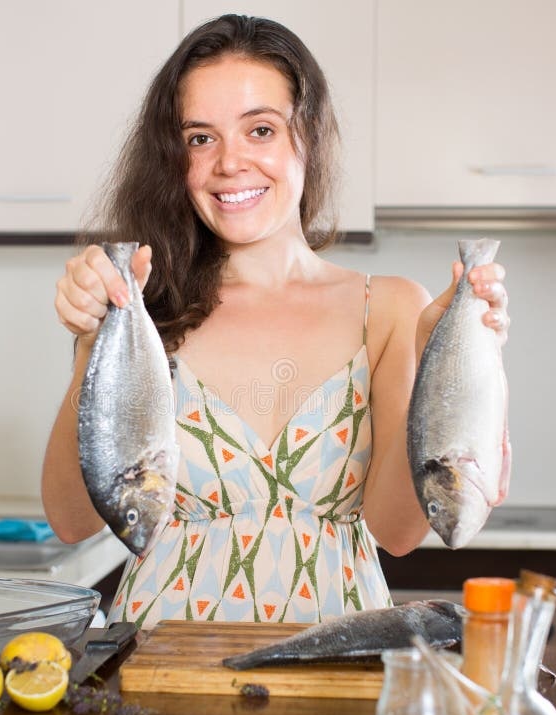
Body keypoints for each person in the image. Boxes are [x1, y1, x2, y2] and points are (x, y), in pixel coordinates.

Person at [41, 15, 510, 629]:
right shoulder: (140, 308)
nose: (229, 163)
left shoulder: (390, 310)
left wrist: (443, 353)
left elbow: (397, 531)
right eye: (200, 138)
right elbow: (71, 520)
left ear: (308, 137)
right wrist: (90, 343)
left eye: (259, 129)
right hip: (163, 667)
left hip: (339, 665)